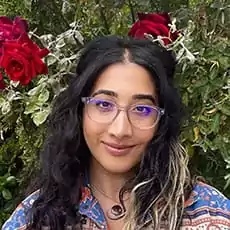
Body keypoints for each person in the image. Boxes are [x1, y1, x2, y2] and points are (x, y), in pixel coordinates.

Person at [2, 35, 230, 230]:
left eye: (142, 109)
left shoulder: (207, 215)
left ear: (162, 119)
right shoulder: (33, 220)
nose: (120, 130)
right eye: (103, 105)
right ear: (80, 111)